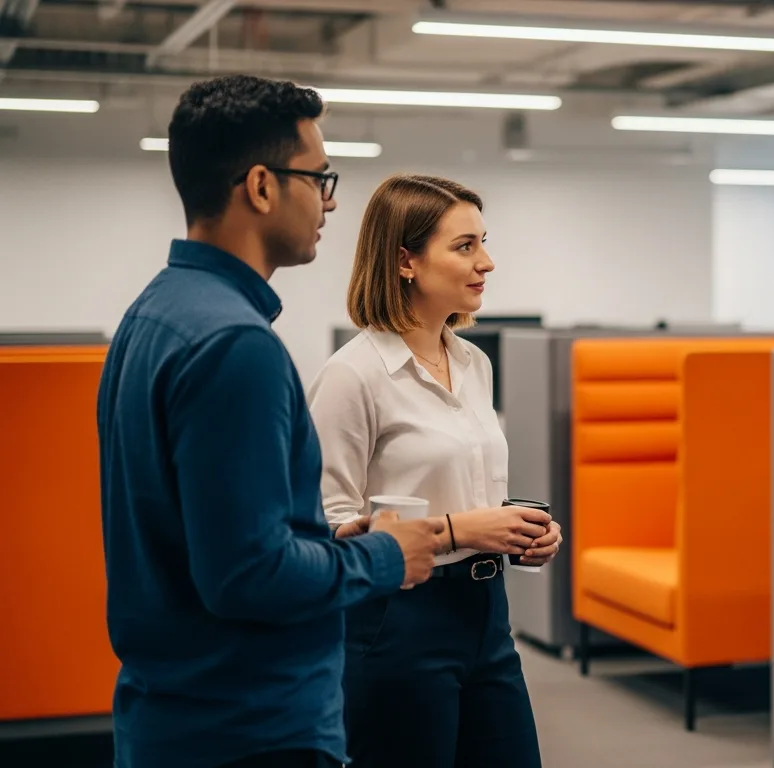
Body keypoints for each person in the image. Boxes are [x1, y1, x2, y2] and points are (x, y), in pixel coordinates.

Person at [97, 75, 445, 768]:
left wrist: (321, 537)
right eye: (319, 178)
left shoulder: (153, 316)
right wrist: (383, 556)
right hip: (251, 731)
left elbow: (209, 536)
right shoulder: (236, 345)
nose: (331, 200)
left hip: (173, 715)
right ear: (260, 186)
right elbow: (248, 577)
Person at [308, 174, 562, 768]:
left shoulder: (473, 364)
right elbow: (326, 528)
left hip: (487, 617)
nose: (487, 262)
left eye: (484, 243)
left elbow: (472, 492)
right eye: (465, 246)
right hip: (398, 622)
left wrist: (520, 529)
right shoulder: (353, 377)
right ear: (406, 261)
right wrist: (462, 531)